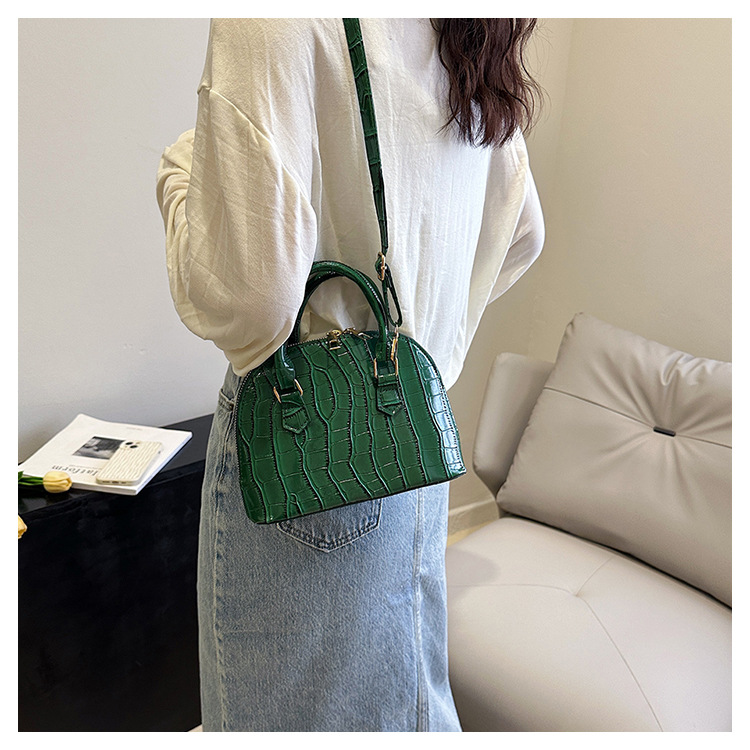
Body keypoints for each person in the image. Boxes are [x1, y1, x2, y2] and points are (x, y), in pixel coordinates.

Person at [156, 18, 544, 732]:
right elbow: (523, 232)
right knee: (404, 708)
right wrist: (427, 342)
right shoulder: (469, 30)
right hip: (415, 436)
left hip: (305, 455)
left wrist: (181, 178)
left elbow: (247, 301)